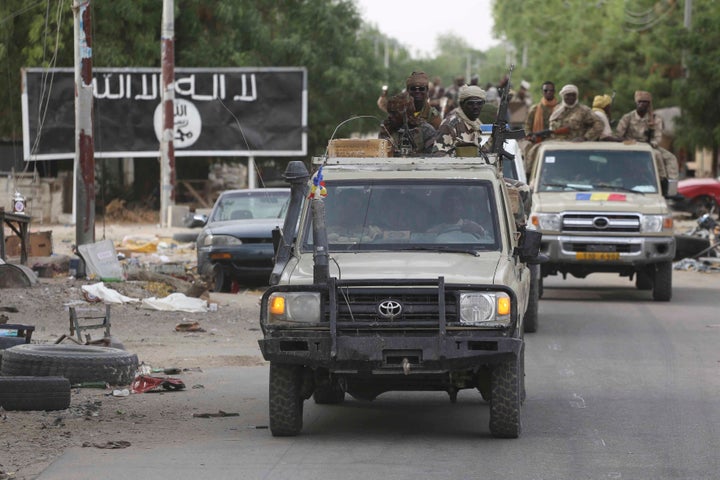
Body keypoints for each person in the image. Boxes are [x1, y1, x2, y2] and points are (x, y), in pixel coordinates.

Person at [616, 90, 679, 181]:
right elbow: (618, 134)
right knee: (656, 155)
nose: (642, 104)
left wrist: (653, 142)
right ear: (636, 103)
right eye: (640, 102)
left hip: (648, 145)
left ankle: (667, 182)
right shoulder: (627, 117)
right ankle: (661, 178)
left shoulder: (654, 118)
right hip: (630, 144)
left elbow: (658, 137)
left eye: (645, 102)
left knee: (670, 158)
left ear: (649, 104)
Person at [433, 84, 487, 154]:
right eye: (470, 103)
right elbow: (439, 156)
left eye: (479, 103)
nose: (475, 107)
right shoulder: (450, 125)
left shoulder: (477, 124)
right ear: (462, 104)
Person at [379, 92, 436, 156]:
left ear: (407, 113)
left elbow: (433, 156)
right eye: (390, 113)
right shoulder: (387, 129)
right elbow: (380, 153)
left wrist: (412, 156)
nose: (390, 117)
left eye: (395, 114)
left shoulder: (425, 130)